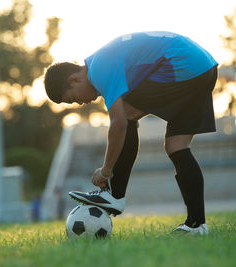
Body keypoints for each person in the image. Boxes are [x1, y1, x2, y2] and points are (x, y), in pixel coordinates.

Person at [44, 31, 218, 235]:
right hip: (203, 67)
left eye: (73, 98)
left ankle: (115, 195)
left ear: (74, 80)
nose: (80, 103)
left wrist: (106, 170)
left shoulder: (98, 69)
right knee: (176, 146)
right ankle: (197, 225)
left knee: (125, 114)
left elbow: (119, 123)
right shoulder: (103, 63)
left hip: (183, 63)